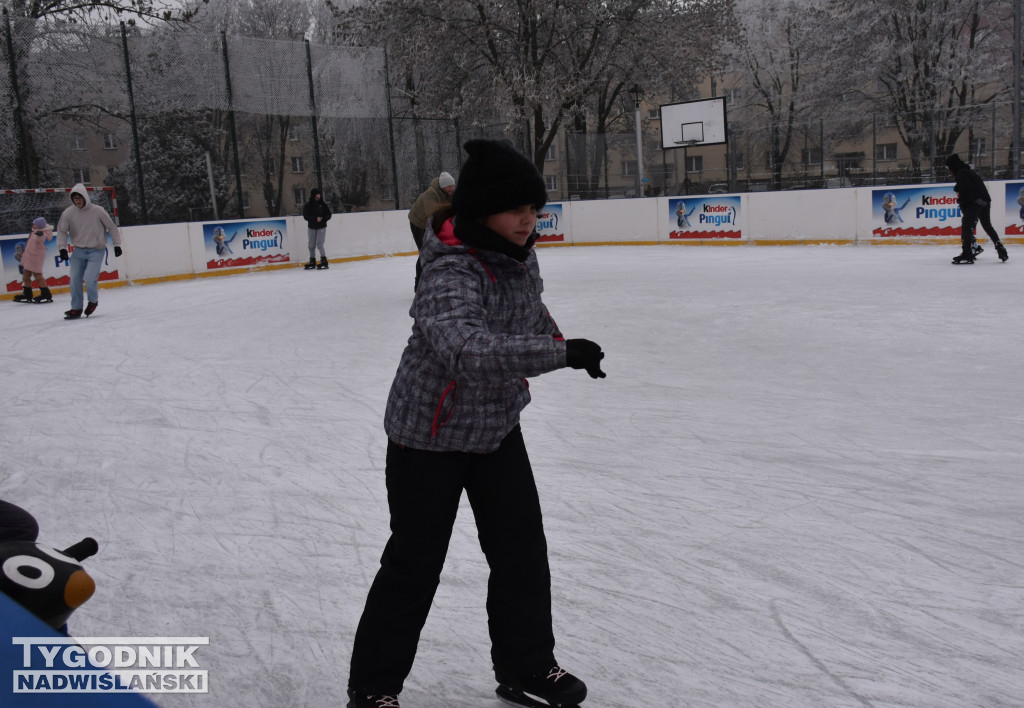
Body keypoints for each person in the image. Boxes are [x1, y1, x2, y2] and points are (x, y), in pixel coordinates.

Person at [346, 140, 605, 708]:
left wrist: (561, 341)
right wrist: (558, 355)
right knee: (414, 566)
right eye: (517, 209)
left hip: (494, 429)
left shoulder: (518, 252)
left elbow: (528, 312)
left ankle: (526, 669)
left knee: (521, 554)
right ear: (483, 209)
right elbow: (466, 349)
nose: (529, 221)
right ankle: (372, 690)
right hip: (428, 437)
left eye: (535, 209)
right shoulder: (450, 270)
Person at [56, 183, 122, 318]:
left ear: (85, 197)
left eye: (80, 198)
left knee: (90, 278)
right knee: (74, 279)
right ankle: (76, 308)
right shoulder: (68, 213)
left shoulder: (98, 211)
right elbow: (62, 231)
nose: (78, 201)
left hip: (96, 250)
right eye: (75, 199)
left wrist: (117, 245)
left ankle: (93, 301)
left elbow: (112, 227)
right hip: (78, 251)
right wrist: (62, 248)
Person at [945, 154, 1008, 264]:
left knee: (966, 225)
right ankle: (1000, 248)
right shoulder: (968, 171)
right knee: (987, 226)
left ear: (952, 166)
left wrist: (967, 202)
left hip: (977, 201)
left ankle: (967, 253)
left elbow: (968, 189)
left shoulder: (960, 173)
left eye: (948, 167)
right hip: (985, 201)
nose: (949, 170)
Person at [407, 171, 455, 291]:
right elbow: (434, 213)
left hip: (431, 225)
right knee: (425, 252)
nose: (452, 188)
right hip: (418, 224)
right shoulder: (430, 194)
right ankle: (418, 286)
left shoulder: (449, 193)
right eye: (449, 186)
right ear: (443, 186)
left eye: (453, 185)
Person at [12, 217, 55, 304]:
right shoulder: (34, 231)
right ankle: (27, 293)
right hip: (29, 257)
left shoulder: (41, 233)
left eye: (34, 224)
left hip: (36, 257)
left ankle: (46, 293)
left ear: (39, 225)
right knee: (25, 276)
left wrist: (39, 234)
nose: (33, 225)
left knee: (38, 276)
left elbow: (41, 239)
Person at [302, 188, 332, 270]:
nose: (319, 195)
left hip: (321, 227)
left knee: (319, 244)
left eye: (319, 194)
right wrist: (315, 219)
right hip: (312, 227)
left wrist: (323, 219)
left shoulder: (323, 204)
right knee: (311, 245)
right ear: (314, 195)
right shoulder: (308, 205)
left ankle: (324, 260)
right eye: (318, 194)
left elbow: (329, 214)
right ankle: (312, 260)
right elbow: (306, 216)